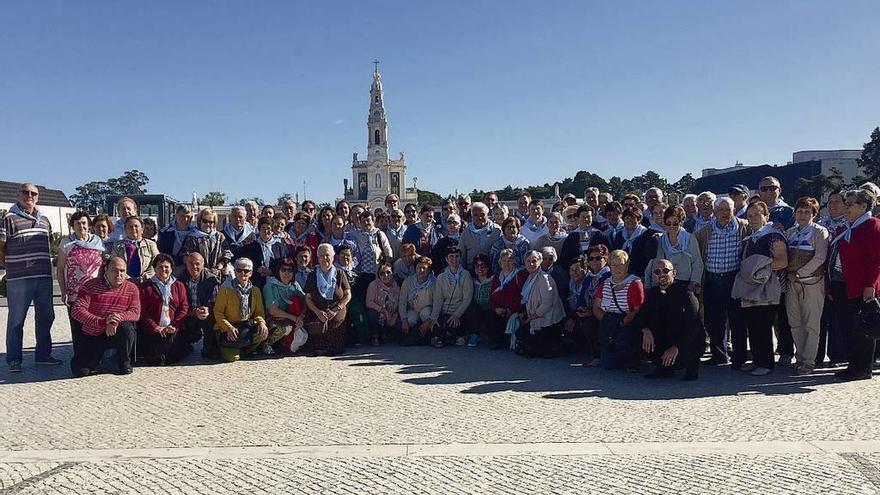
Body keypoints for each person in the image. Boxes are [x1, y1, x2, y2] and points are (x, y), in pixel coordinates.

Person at [0, 183, 59, 371]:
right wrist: (8, 265)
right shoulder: (8, 219)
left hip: (43, 277)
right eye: (25, 192)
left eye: (33, 193)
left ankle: (43, 355)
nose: (29, 195)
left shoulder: (45, 220)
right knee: (16, 320)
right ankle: (14, 360)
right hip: (19, 279)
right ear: (19, 195)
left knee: (46, 316)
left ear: (38, 197)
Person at [732, 201, 788, 376]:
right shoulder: (749, 238)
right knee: (753, 326)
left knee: (763, 327)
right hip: (751, 288)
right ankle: (757, 360)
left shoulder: (774, 236)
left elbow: (782, 261)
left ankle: (766, 363)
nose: (753, 218)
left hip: (768, 288)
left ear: (766, 216)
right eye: (750, 216)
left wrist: (758, 270)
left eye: (757, 214)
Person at [830, 189, 880, 381]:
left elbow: (877, 259)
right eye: (846, 203)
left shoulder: (872, 225)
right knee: (847, 326)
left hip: (862, 286)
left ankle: (862, 368)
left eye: (851, 204)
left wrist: (871, 285)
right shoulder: (846, 228)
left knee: (862, 328)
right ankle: (853, 364)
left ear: (864, 206)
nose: (846, 207)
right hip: (841, 283)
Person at [694, 197, 749, 366]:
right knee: (713, 320)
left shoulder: (744, 227)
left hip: (734, 278)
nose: (725, 213)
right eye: (721, 210)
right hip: (712, 279)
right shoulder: (705, 231)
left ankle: (739, 357)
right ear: (715, 212)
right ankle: (719, 355)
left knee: (737, 320)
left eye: (728, 210)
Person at [69, 256, 140, 376]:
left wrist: (115, 319)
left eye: (122, 271)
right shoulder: (90, 286)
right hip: (93, 333)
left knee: (127, 328)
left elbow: (135, 312)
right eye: (114, 270)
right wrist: (103, 322)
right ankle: (101, 361)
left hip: (116, 331)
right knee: (80, 371)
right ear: (106, 270)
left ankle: (123, 362)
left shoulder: (132, 288)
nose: (119, 274)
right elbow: (77, 310)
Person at [784, 197, 829, 375]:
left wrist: (800, 272)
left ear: (814, 214)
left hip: (811, 283)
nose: (802, 215)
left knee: (811, 323)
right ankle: (800, 357)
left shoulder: (819, 232)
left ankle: (809, 361)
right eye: (800, 211)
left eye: (807, 212)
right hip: (791, 283)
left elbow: (820, 257)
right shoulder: (790, 232)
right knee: (795, 322)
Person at [638, 259, 701, 380]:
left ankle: (691, 368)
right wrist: (646, 330)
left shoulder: (686, 295)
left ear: (674, 273)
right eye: (657, 271)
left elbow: (694, 328)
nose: (661, 274)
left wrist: (677, 347)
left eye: (665, 270)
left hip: (683, 343)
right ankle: (662, 367)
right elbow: (642, 317)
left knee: (694, 336)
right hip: (663, 341)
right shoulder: (652, 294)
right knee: (639, 332)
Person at [57, 212, 106, 347]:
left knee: (95, 325)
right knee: (78, 327)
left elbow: (102, 267)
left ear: (89, 225)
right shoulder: (67, 243)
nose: (81, 226)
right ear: (72, 226)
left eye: (84, 223)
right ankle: (79, 359)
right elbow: (60, 268)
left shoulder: (97, 241)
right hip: (75, 293)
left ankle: (95, 357)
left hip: (95, 291)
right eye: (77, 223)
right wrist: (63, 291)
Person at [137, 254, 193, 365]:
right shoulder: (145, 287)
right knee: (156, 359)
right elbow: (142, 311)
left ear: (172, 269)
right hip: (154, 328)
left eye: (166, 267)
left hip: (173, 327)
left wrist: (175, 324)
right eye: (160, 267)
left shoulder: (178, 285)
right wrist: (154, 327)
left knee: (171, 356)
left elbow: (184, 307)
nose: (164, 269)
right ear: (154, 269)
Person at [593, 250, 644, 371]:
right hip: (609, 320)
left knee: (625, 339)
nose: (617, 268)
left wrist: (621, 323)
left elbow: (637, 309)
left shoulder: (634, 283)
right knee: (608, 365)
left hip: (627, 321)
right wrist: (607, 321)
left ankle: (632, 360)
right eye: (614, 265)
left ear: (627, 264)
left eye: (621, 264)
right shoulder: (605, 283)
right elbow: (596, 307)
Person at [213, 257, 270, 362]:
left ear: (251, 273)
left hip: (245, 325)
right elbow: (218, 312)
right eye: (239, 270)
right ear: (235, 272)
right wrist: (228, 327)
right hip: (228, 327)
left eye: (246, 271)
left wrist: (261, 323)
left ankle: (246, 349)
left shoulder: (255, 290)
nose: (243, 273)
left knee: (263, 332)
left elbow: (259, 312)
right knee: (232, 358)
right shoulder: (226, 289)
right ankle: (228, 347)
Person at [514, 250, 566, 357]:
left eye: (534, 261)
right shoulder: (530, 278)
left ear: (540, 262)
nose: (531, 264)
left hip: (547, 319)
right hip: (535, 316)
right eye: (528, 261)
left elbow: (547, 303)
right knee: (520, 333)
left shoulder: (544, 278)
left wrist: (532, 317)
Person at [816, 190, 848, 366]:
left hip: (839, 278)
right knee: (820, 318)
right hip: (820, 275)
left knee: (837, 319)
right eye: (830, 201)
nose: (833, 204)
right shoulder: (821, 223)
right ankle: (816, 355)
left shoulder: (850, 224)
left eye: (837, 201)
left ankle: (838, 355)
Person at [303, 244, 352, 355]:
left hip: (337, 307)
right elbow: (308, 297)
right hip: (318, 308)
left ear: (333, 257)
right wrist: (317, 311)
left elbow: (348, 294)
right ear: (317, 258)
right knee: (320, 323)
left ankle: (334, 348)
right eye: (321, 256)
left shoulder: (340, 273)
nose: (324, 258)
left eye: (327, 255)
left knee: (335, 323)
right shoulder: (312, 274)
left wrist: (336, 309)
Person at [178, 252, 221, 360]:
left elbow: (215, 302)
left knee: (211, 319)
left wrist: (207, 309)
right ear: (186, 265)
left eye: (197, 264)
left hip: (206, 313)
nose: (194, 267)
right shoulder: (179, 280)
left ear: (203, 264)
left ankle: (209, 348)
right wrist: (193, 312)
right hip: (187, 313)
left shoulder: (212, 279)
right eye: (191, 264)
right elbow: (177, 304)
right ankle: (184, 344)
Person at [430, 245, 474, 347]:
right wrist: (434, 317)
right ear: (446, 259)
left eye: (456, 256)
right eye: (451, 256)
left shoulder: (466, 275)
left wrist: (456, 315)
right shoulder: (441, 277)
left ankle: (461, 335)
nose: (454, 259)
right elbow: (438, 299)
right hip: (446, 311)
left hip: (460, 311)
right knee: (436, 327)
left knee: (455, 326)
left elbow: (467, 299)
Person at [651, 205, 703, 291]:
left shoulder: (690, 238)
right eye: (668, 223)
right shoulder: (661, 239)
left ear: (681, 222)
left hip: (686, 283)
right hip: (666, 282)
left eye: (675, 223)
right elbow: (657, 262)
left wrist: (693, 283)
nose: (671, 226)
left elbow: (697, 263)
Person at [262, 257, 306, 355]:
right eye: (283, 270)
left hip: (292, 318)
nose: (286, 273)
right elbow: (272, 310)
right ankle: (266, 344)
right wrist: (294, 318)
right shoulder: (270, 286)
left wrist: (301, 317)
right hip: (274, 320)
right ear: (278, 271)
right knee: (286, 328)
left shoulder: (295, 285)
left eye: (290, 270)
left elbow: (305, 302)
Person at [488, 249, 528, 350]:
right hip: (500, 308)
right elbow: (492, 296)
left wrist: (511, 309)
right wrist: (496, 308)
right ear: (500, 262)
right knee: (491, 314)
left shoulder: (520, 275)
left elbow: (522, 297)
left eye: (510, 260)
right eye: (504, 260)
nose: (507, 263)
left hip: (515, 308)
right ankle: (496, 341)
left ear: (514, 261)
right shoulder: (497, 277)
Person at [240, 216, 290, 288]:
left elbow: (284, 264)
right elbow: (246, 263)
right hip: (256, 283)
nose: (266, 231)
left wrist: (271, 272)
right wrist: (257, 269)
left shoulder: (280, 247)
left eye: (269, 228)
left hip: (276, 284)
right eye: (263, 228)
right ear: (259, 230)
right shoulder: (251, 247)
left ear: (272, 230)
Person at [398, 256, 436, 346]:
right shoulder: (408, 281)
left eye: (424, 268)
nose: (421, 270)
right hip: (413, 309)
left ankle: (427, 335)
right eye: (419, 267)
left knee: (426, 314)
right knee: (410, 320)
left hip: (427, 310)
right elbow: (402, 302)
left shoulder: (434, 282)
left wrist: (430, 319)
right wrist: (403, 320)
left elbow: (437, 302)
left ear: (429, 270)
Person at [180, 208, 228, 279]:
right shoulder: (192, 237)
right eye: (205, 221)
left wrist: (220, 265)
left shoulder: (220, 236)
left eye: (211, 222)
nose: (208, 224)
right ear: (200, 221)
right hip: (197, 275)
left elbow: (227, 252)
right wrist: (203, 270)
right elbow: (186, 257)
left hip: (217, 274)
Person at [110, 216, 160, 282]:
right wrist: (127, 277)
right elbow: (114, 262)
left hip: (146, 282)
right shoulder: (117, 245)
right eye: (130, 226)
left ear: (142, 229)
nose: (133, 228)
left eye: (136, 226)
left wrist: (146, 276)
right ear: (125, 230)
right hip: (125, 281)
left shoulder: (151, 244)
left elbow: (156, 262)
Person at [559, 205, 608, 270]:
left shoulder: (599, 235)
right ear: (578, 218)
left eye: (588, 217)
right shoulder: (571, 237)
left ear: (592, 217)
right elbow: (565, 258)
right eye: (583, 217)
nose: (586, 219)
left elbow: (606, 255)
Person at [365, 263, 401, 346]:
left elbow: (400, 303)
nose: (385, 275)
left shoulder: (396, 287)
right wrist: (383, 310)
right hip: (379, 313)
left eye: (388, 272)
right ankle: (375, 336)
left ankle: (389, 334)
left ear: (392, 274)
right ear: (378, 275)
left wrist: (395, 315)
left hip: (391, 313)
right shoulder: (373, 284)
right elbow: (369, 302)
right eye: (382, 273)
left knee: (399, 323)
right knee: (372, 314)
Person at [629, 202, 666, 279]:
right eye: (655, 213)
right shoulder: (644, 237)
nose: (659, 215)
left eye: (661, 212)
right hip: (652, 276)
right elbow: (636, 260)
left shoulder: (675, 232)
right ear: (652, 216)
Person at [460, 202, 501, 269]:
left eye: (482, 214)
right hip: (472, 273)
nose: (480, 217)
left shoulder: (497, 230)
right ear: (472, 216)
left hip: (492, 272)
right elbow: (462, 257)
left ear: (487, 214)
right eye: (476, 215)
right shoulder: (466, 233)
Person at [465, 254, 494, 347]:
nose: (480, 269)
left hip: (490, 308)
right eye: (477, 266)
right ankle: (474, 334)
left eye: (483, 266)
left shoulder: (493, 279)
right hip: (476, 308)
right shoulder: (471, 279)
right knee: (470, 309)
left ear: (488, 267)